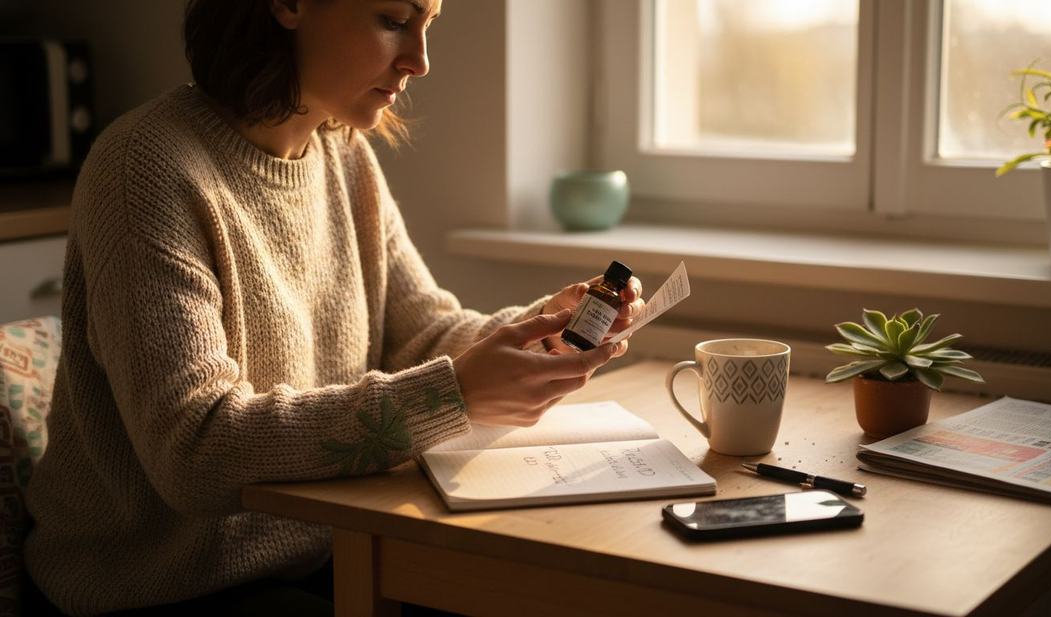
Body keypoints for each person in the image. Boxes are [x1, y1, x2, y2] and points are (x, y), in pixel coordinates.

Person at [22, 0, 645, 615]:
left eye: (427, 25)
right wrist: (453, 395)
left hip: (326, 552)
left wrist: (544, 329)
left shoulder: (343, 154)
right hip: (158, 588)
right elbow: (196, 453)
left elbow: (421, 331)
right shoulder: (146, 170)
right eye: (394, 21)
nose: (420, 61)